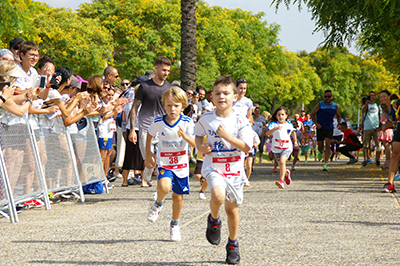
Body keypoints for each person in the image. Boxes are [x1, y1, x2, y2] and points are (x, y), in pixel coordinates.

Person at [194, 76, 253, 264]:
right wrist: (201, 148)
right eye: (217, 93)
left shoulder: (241, 120)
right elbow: (198, 137)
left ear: (235, 97)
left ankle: (233, 244)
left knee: (232, 209)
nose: (222, 97)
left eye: (226, 93)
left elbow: (246, 147)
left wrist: (227, 136)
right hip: (214, 167)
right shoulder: (206, 118)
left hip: (235, 170)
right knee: (218, 196)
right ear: (212, 97)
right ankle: (214, 220)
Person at [145, 86, 195, 242]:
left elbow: (194, 142)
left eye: (176, 105)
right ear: (163, 105)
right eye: (168, 105)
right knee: (165, 187)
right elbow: (149, 134)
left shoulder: (187, 122)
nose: (172, 109)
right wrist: (148, 153)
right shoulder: (159, 121)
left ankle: (175, 224)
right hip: (165, 162)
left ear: (183, 106)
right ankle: (158, 203)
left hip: (181, 165)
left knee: (177, 197)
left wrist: (185, 137)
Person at [128, 56, 172, 186]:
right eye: (164, 70)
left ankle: (160, 188)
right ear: (156, 68)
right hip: (146, 128)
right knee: (149, 159)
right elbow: (134, 108)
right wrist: (132, 130)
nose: (166, 73)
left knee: (162, 160)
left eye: (168, 71)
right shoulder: (144, 87)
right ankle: (148, 170)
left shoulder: (169, 87)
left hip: (163, 128)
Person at [266, 106, 297, 188]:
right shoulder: (273, 124)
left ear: (286, 116)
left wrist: (296, 141)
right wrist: (275, 129)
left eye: (282, 115)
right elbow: (267, 134)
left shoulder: (289, 124)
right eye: (279, 115)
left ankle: (281, 181)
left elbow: (293, 132)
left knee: (282, 162)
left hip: (287, 147)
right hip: (276, 148)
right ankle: (286, 173)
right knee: (281, 164)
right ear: (276, 116)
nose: (281, 117)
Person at [310, 89, 341, 171]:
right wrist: (316, 123)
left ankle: (325, 164)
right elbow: (312, 114)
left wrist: (339, 123)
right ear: (323, 97)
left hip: (329, 128)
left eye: (329, 96)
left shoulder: (335, 106)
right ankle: (320, 152)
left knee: (328, 145)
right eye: (325, 96)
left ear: (332, 97)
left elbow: (338, 116)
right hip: (320, 128)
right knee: (320, 147)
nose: (327, 98)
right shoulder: (320, 105)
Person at [361, 91, 382, 166]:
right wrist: (366, 105)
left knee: (378, 145)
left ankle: (377, 160)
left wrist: (380, 126)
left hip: (376, 128)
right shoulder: (365, 106)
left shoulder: (378, 106)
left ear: (375, 97)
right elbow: (362, 112)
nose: (372, 97)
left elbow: (380, 116)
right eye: (370, 96)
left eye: (373, 95)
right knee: (366, 145)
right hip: (367, 127)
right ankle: (365, 159)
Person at [378, 103, 394, 170]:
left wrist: (386, 123)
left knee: (387, 146)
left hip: (387, 130)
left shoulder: (389, 114)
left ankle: (388, 161)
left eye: (385, 107)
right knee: (385, 146)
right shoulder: (385, 114)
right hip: (384, 129)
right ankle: (387, 160)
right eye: (383, 108)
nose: (384, 109)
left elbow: (389, 122)